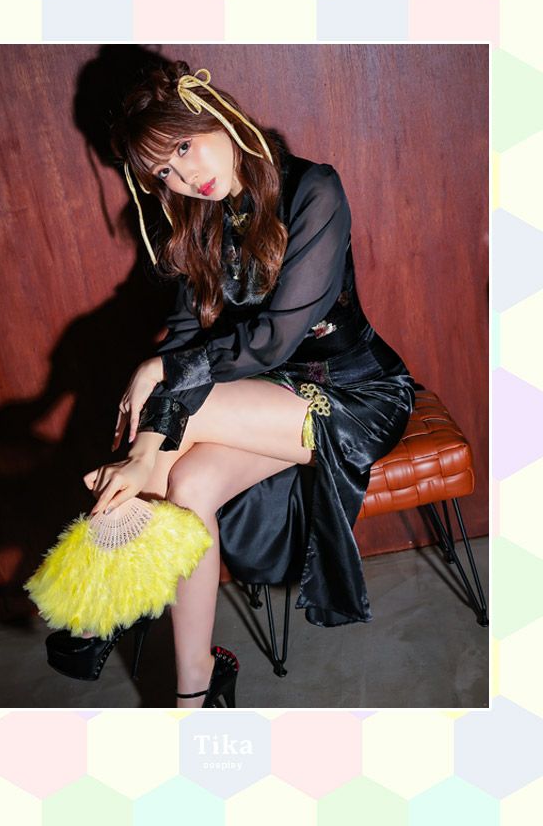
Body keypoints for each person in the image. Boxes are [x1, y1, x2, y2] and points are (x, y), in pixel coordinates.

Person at [81, 61, 415, 708]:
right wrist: (161, 370)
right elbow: (185, 333)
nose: (185, 177)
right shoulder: (199, 217)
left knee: (172, 412)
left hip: (356, 395)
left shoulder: (314, 189)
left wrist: (148, 429)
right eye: (164, 172)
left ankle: (105, 570)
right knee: (188, 488)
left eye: (184, 147)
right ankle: (196, 689)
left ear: (217, 116)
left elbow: (275, 339)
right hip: (268, 398)